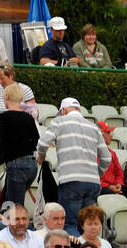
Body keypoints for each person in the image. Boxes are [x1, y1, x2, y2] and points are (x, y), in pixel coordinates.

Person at [35, 99, 104, 236]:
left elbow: (43, 143)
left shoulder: (59, 121)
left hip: (71, 181)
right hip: (93, 183)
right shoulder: (94, 127)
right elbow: (106, 158)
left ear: (64, 110)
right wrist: (96, 174)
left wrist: (41, 156)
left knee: (69, 225)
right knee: (87, 226)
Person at [0, 83, 38, 205]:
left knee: (14, 206)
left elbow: (0, 143)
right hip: (31, 165)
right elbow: (36, 139)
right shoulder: (28, 117)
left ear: (7, 96)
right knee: (16, 202)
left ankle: (13, 224)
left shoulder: (4, 117)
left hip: (17, 165)